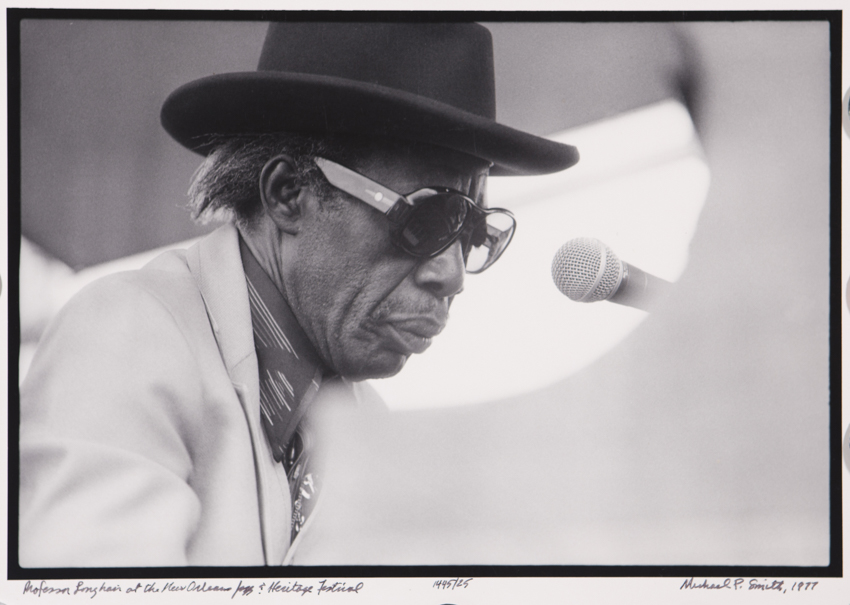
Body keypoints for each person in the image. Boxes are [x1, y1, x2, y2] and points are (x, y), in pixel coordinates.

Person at [18, 22, 579, 567]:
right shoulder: (125, 336)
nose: (452, 275)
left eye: (474, 231)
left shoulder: (365, 425)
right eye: (428, 219)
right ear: (289, 193)